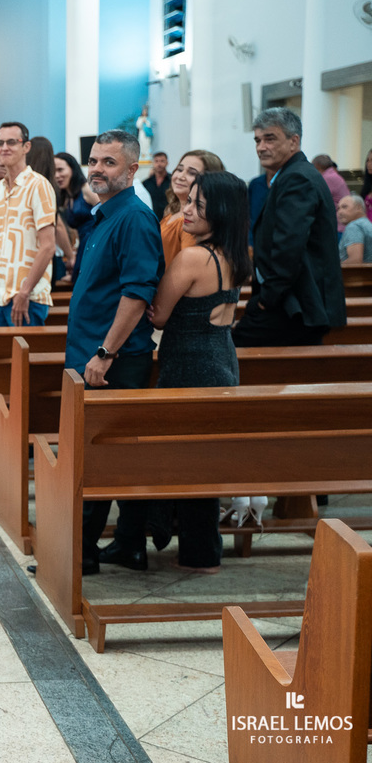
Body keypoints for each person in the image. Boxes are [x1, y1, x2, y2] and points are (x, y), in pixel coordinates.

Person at [67, 131, 163, 574]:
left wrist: (105, 352)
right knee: (105, 453)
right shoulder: (106, 214)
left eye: (109, 162)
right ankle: (123, 545)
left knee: (100, 455)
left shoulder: (135, 218)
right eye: (94, 160)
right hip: (94, 352)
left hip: (113, 360)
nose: (97, 169)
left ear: (131, 170)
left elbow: (137, 294)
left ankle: (84, 553)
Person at [148, 171, 253, 565]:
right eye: (188, 200)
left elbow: (158, 315)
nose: (186, 210)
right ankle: (203, 548)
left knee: (182, 461)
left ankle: (193, 548)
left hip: (190, 365)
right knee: (203, 462)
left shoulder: (194, 256)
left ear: (221, 214)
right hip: (221, 359)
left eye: (198, 206)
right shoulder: (235, 255)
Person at [233, 108, 346, 347]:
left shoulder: (297, 178)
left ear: (294, 141)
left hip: (292, 304)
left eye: (270, 138)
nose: (261, 147)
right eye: (257, 140)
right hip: (290, 301)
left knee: (234, 352)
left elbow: (288, 246)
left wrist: (267, 299)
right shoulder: (292, 175)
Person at [0, 122, 58, 327]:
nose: (4, 148)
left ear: (26, 147)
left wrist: (25, 291)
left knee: (23, 357)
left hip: (27, 297)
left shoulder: (38, 185)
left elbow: (48, 246)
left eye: (12, 142)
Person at [160, 150, 225, 266]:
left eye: (191, 173)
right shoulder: (172, 211)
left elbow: (187, 268)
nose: (180, 176)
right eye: (179, 169)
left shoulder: (190, 221)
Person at [27, 137, 74, 282]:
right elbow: (58, 225)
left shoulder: (24, 183)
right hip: (45, 255)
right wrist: (71, 256)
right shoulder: (47, 185)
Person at [54, 151, 98, 283]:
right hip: (83, 246)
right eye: (54, 171)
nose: (57, 175)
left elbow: (108, 215)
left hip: (95, 244)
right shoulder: (67, 197)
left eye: (61, 170)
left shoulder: (87, 189)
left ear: (73, 169)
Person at [338, 194, 372, 264]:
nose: (339, 212)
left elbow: (355, 261)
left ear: (359, 207)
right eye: (338, 208)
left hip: (358, 275)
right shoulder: (367, 224)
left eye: (344, 207)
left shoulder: (354, 226)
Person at [142, 151, 169, 218]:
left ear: (167, 163)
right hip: (150, 218)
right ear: (153, 163)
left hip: (168, 219)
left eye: (162, 161)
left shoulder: (173, 181)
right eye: (156, 161)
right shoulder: (146, 183)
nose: (159, 164)